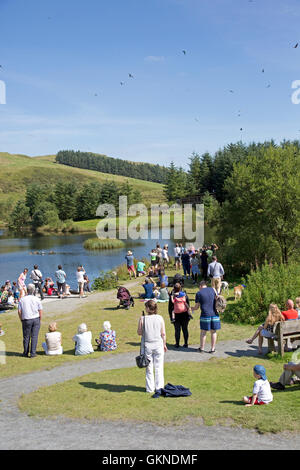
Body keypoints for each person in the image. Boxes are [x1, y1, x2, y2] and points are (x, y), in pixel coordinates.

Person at [137, 300, 167, 393]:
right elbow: (163, 333)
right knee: (159, 367)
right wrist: (164, 344)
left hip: (147, 345)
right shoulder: (160, 318)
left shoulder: (143, 318)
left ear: (148, 308)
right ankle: (159, 387)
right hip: (158, 344)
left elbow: (139, 332)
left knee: (149, 368)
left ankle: (150, 388)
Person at [192, 280, 220, 353]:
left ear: (200, 286)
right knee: (213, 332)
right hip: (215, 314)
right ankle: (213, 349)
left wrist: (192, 308)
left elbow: (197, 307)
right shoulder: (213, 289)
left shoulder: (199, 293)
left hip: (205, 315)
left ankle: (202, 349)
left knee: (203, 332)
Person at [18, 283, 42, 358]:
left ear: (27, 291)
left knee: (26, 337)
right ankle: (33, 353)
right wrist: (40, 319)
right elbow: (40, 310)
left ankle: (25, 352)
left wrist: (21, 319)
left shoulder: (22, 300)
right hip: (35, 318)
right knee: (34, 336)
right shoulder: (37, 299)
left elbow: (19, 311)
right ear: (33, 290)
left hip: (26, 319)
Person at [169, 283, 191, 348]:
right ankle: (186, 343)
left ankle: (177, 343)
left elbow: (170, 307)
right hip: (184, 314)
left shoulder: (173, 296)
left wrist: (171, 317)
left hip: (176, 314)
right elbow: (187, 304)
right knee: (185, 329)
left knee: (177, 330)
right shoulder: (184, 295)